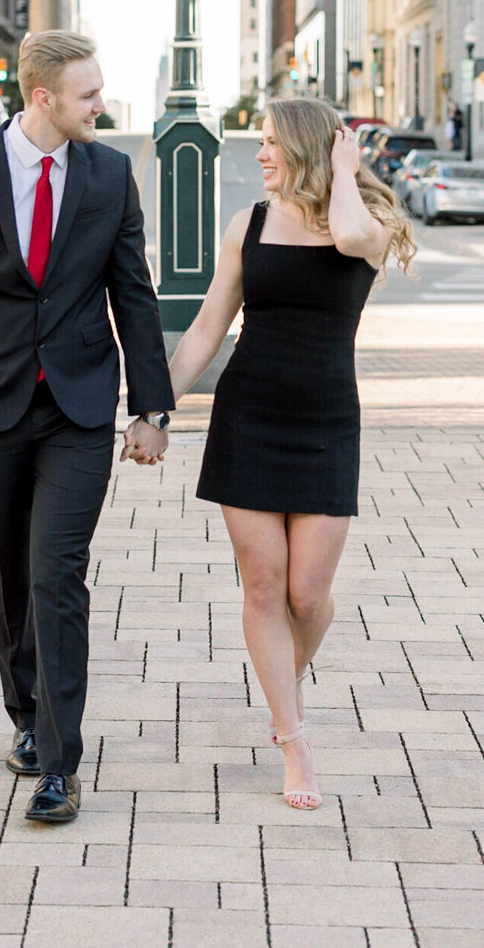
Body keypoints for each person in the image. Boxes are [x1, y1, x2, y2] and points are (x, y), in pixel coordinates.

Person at [0, 30, 173, 825]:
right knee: (8, 573)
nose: (102, 103)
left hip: (79, 407)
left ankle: (59, 763)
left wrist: (150, 406)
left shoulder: (108, 173)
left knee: (58, 571)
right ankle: (25, 715)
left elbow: (134, 292)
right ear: (42, 97)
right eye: (88, 93)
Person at [166, 98, 414, 811]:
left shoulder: (366, 225)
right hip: (248, 417)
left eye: (273, 142)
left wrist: (342, 169)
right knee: (266, 589)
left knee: (309, 595)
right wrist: (157, 406)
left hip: (327, 420)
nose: (260, 154)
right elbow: (207, 327)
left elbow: (347, 231)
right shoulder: (248, 226)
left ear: (311, 148)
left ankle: (281, 683)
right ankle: (292, 738)